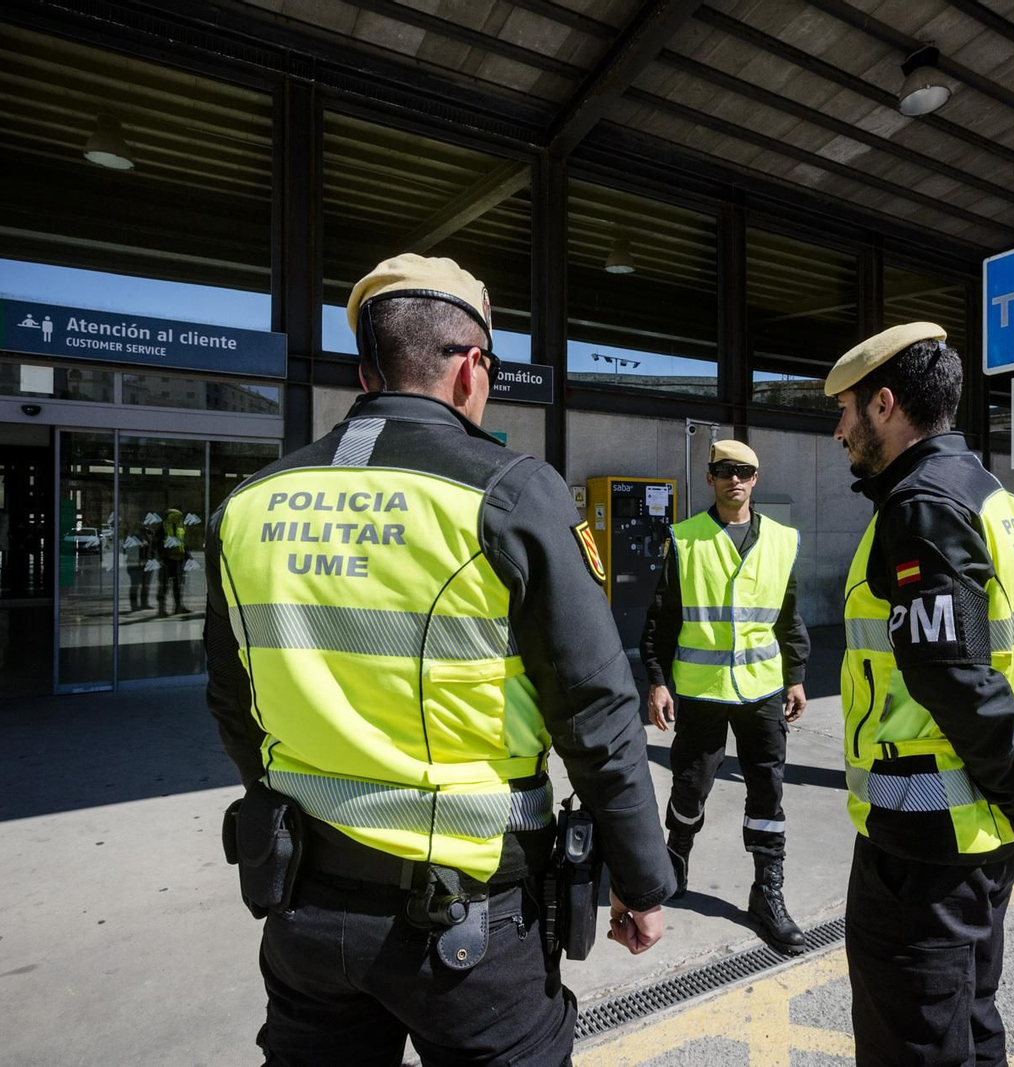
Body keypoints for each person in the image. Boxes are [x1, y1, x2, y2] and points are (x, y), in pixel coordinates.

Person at [203, 253, 674, 1067]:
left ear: (365, 370)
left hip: (303, 913)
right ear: (470, 368)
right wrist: (642, 877)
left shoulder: (247, 505)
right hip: (467, 933)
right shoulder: (511, 494)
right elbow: (596, 710)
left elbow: (231, 701)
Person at [824, 322, 1014, 1067]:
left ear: (884, 404)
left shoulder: (921, 506)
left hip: (920, 858)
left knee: (914, 1044)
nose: (839, 430)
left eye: (844, 409)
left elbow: (951, 674)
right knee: (970, 1028)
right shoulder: (1004, 509)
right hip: (982, 848)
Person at [639, 439, 811, 954]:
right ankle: (677, 858)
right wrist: (657, 681)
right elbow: (660, 622)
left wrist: (797, 674)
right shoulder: (685, 539)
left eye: (744, 471)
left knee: (767, 792)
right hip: (701, 691)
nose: (734, 479)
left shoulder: (783, 540)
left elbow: (788, 616)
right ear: (711, 478)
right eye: (723, 471)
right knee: (689, 786)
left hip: (762, 692)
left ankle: (767, 891)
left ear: (755, 479)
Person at [156, 507, 187, 615]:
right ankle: (162, 609)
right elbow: (157, 543)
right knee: (165, 585)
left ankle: (178, 607)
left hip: (177, 560)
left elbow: (183, 544)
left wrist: (186, 558)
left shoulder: (179, 528)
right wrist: (160, 558)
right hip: (167, 560)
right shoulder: (164, 528)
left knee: (177, 585)